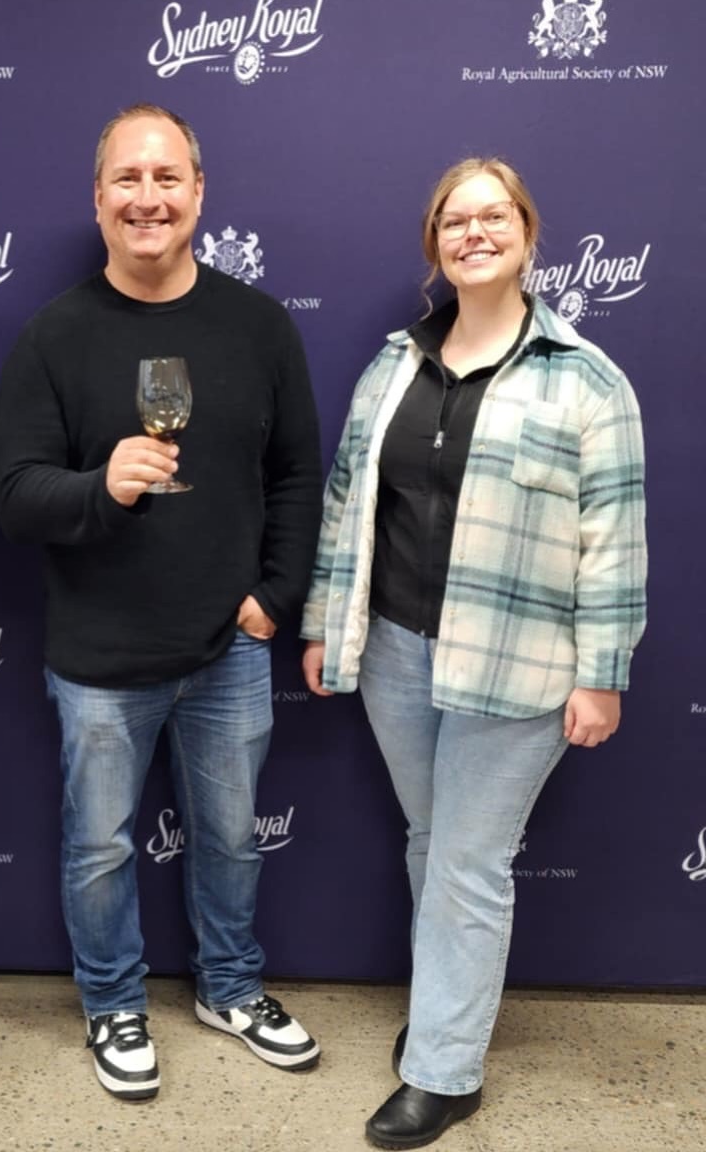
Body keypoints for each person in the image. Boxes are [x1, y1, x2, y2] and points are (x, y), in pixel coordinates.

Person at [300, 158, 646, 1148]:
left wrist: (601, 674)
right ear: (436, 244)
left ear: (528, 236)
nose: (475, 232)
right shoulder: (393, 365)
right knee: (432, 844)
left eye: (494, 216)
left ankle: (446, 1070)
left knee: (465, 860)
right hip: (400, 653)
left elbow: (614, 540)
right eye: (456, 220)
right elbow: (344, 507)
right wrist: (329, 621)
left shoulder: (585, 380)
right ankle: (451, 1006)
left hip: (522, 663)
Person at [0, 103, 324, 1101]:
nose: (148, 197)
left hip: (228, 648)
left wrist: (274, 597)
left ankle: (231, 988)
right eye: (127, 181)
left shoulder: (257, 325)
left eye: (166, 178)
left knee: (229, 837)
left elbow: (300, 474)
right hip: (99, 657)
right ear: (98, 201)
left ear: (198, 193)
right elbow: (14, 498)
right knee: (99, 848)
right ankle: (112, 1004)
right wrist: (104, 485)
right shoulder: (53, 335)